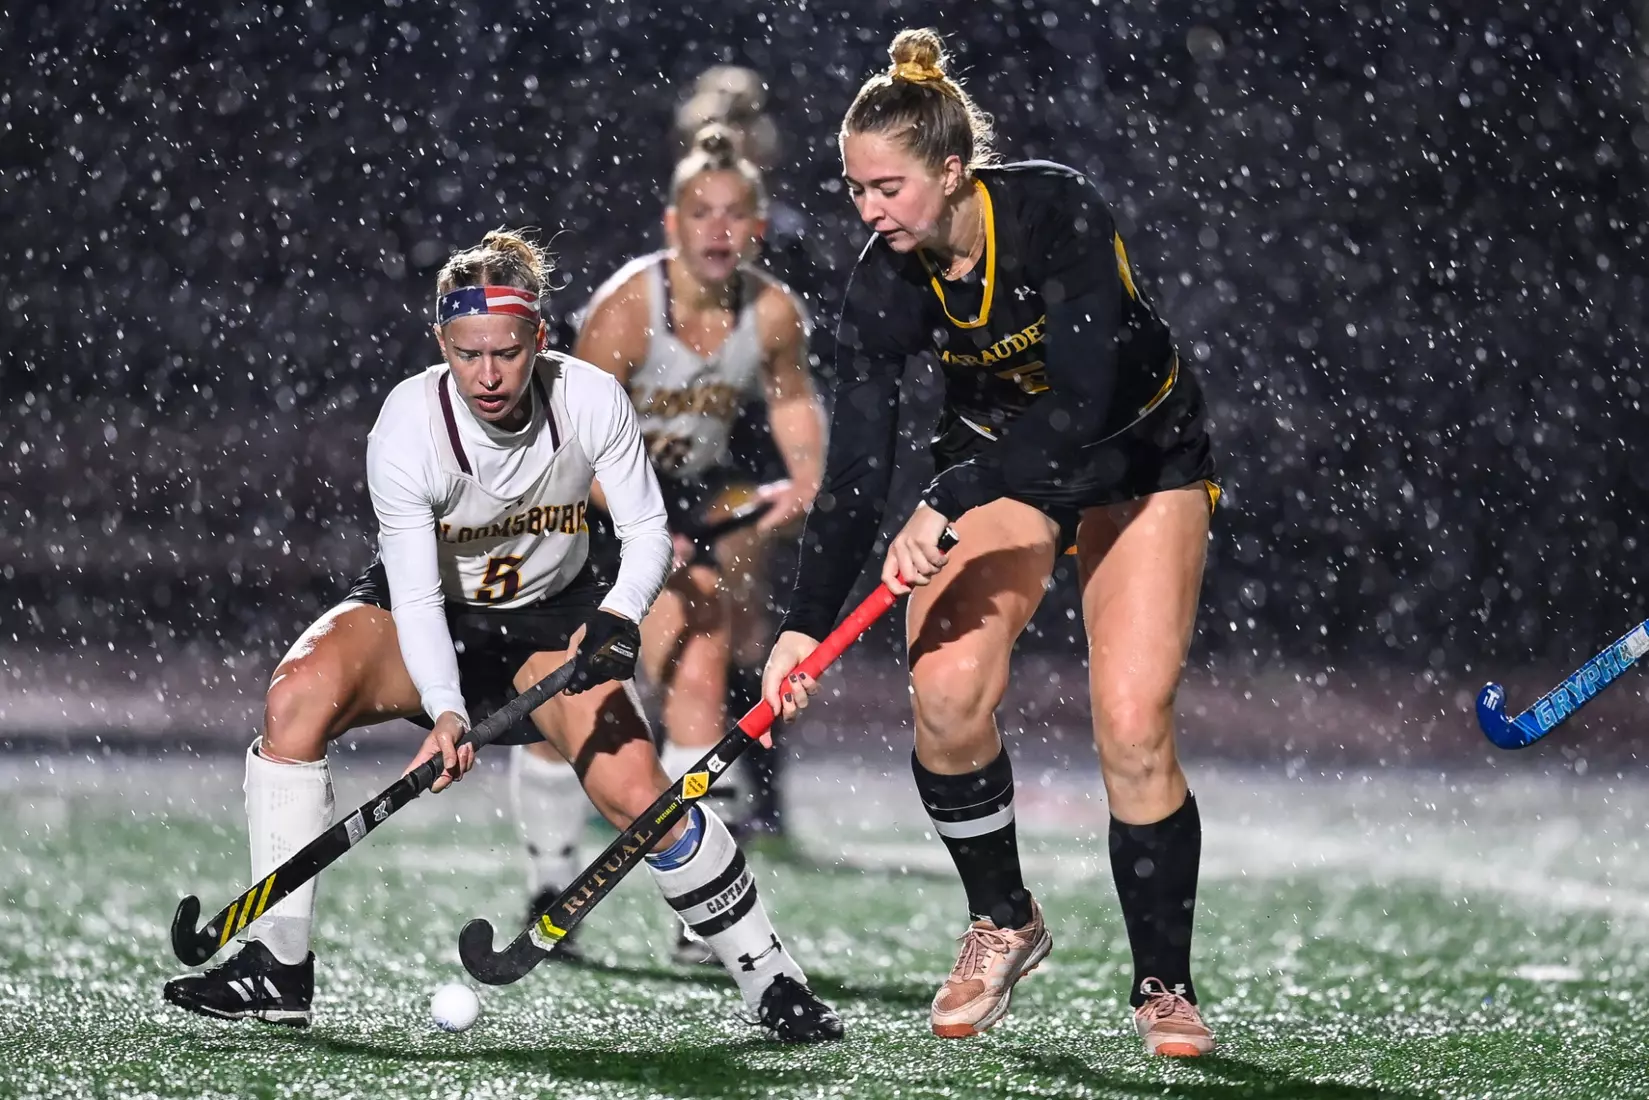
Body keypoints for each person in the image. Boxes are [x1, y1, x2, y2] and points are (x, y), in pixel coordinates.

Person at [161, 230, 842, 1043]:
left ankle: (771, 979)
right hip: (432, 617)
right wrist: (446, 710)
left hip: (552, 624)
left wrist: (620, 614)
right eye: (467, 353)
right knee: (296, 695)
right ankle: (278, 964)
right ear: (441, 343)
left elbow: (648, 530)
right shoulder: (407, 428)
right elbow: (413, 593)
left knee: (646, 799)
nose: (487, 375)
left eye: (507, 353)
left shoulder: (589, 398)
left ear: (539, 341)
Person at [760, 29, 1219, 1057]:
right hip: (1009, 475)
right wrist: (800, 626)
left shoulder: (1055, 211)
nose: (868, 212)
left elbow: (1083, 399)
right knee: (945, 689)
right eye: (854, 189)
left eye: (887, 187)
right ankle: (1003, 915)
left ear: (953, 170)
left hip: (1137, 462)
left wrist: (952, 492)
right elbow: (853, 474)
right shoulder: (882, 283)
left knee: (1132, 723)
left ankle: (1162, 984)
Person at [512, 128, 825, 966]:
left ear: (756, 226)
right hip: (586, 500)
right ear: (672, 223)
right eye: (701, 213)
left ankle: (696, 910)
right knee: (556, 696)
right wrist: (647, 527)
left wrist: (803, 481)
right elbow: (570, 450)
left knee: (700, 669)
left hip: (685, 498)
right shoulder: (624, 311)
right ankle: (551, 885)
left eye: (734, 215)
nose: (718, 230)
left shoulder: (771, 312)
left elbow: (793, 406)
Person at [673, 68, 838, 839]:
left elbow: (799, 355)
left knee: (737, 619)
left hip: (742, 451)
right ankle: (707, 779)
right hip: (682, 444)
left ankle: (745, 787)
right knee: (692, 614)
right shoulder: (686, 231)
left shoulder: (785, 239)